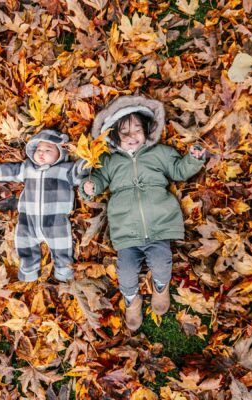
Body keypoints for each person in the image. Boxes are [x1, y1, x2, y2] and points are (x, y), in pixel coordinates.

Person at [79, 96, 206, 331]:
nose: (131, 136)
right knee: (125, 272)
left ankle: (160, 287)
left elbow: (178, 170)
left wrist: (193, 160)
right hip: (126, 231)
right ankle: (132, 300)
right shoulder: (109, 161)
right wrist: (90, 187)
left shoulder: (159, 153)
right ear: (114, 136)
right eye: (124, 132)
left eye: (137, 129)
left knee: (161, 261)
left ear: (147, 130)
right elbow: (97, 179)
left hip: (159, 226)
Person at [0, 129, 87, 282]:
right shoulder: (28, 168)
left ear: (60, 153)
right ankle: (28, 272)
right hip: (28, 220)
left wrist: (88, 163)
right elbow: (12, 171)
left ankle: (63, 272)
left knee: (62, 248)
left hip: (55, 221)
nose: (42, 153)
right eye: (39, 149)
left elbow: (80, 172)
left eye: (48, 149)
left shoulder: (65, 169)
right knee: (24, 243)